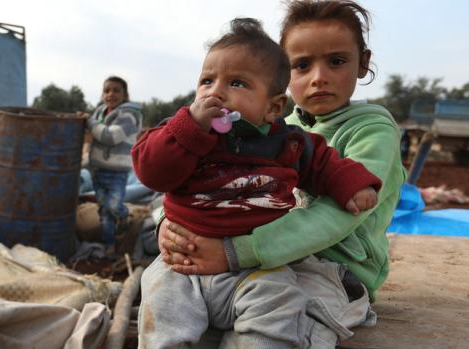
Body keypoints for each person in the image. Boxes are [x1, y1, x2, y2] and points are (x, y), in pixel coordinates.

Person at [158, 0, 406, 347]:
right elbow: (206, 178)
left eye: (336, 61)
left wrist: (235, 252)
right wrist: (169, 227)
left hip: (333, 269)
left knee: (291, 327)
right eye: (301, 65)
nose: (318, 77)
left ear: (362, 62)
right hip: (265, 255)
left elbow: (340, 214)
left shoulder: (372, 132)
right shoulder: (275, 128)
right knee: (184, 306)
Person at [80, 76, 143, 257]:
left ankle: (124, 216)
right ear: (102, 94)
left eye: (116, 90)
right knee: (104, 211)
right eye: (107, 90)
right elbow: (93, 132)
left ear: (125, 95)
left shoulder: (129, 115)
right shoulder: (100, 113)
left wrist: (90, 123)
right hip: (98, 171)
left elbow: (110, 136)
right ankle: (109, 245)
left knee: (114, 206)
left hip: (117, 172)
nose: (111, 94)